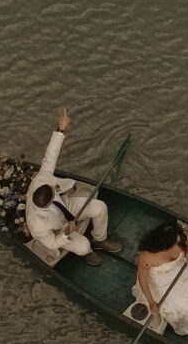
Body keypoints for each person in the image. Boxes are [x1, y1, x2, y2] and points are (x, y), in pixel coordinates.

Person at [25, 108, 122, 266]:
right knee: (83, 247)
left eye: (54, 189)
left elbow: (50, 156)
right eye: (55, 192)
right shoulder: (37, 224)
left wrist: (61, 128)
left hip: (65, 207)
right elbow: (51, 243)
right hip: (60, 228)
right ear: (48, 203)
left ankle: (99, 239)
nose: (57, 189)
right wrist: (66, 233)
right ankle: (89, 250)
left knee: (100, 207)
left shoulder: (42, 179)